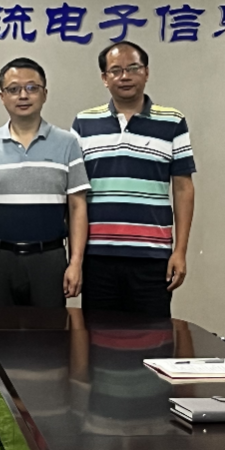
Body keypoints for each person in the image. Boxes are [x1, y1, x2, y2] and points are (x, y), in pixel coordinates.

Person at [71, 41, 195, 316]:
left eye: (133, 68)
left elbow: (183, 188)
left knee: (153, 335)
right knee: (97, 336)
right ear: (104, 78)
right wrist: (75, 259)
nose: (124, 76)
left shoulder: (173, 122)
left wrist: (180, 251)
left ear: (146, 72)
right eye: (115, 70)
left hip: (152, 256)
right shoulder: (83, 123)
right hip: (97, 256)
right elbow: (75, 194)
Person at [0, 57, 89, 308]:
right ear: (2, 96)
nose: (23, 95)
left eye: (32, 88)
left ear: (45, 94)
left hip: (49, 259)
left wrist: (76, 262)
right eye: (14, 89)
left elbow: (77, 206)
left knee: (49, 331)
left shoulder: (67, 143)